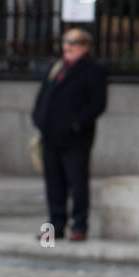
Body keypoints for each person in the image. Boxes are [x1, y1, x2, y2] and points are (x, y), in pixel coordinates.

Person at [31, 28, 108, 242]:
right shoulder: (57, 67)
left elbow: (97, 104)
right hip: (50, 135)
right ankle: (55, 224)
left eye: (73, 42)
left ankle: (79, 225)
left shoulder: (93, 69)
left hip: (76, 138)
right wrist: (38, 118)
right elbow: (43, 95)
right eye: (65, 42)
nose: (68, 46)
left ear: (85, 46)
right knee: (53, 183)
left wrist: (76, 124)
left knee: (77, 182)